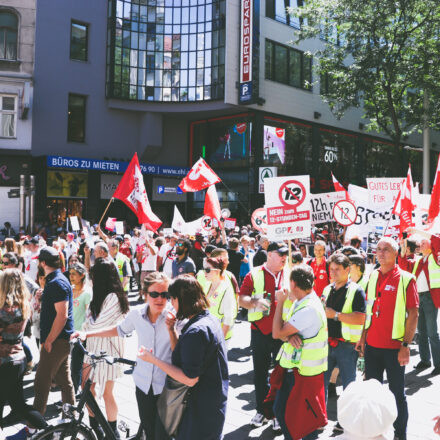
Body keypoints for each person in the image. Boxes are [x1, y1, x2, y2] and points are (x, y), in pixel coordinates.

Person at [72, 271, 174, 440]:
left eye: (165, 294)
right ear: (144, 293)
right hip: (143, 384)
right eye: (155, 294)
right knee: (149, 430)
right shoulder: (137, 314)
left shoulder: (174, 316)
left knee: (164, 434)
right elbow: (118, 329)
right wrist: (87, 334)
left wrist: (172, 329)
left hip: (166, 385)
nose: (160, 299)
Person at [137, 275, 229, 440]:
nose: (170, 303)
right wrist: (172, 331)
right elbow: (183, 357)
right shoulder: (209, 319)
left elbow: (189, 378)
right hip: (213, 402)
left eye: (171, 298)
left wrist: (153, 359)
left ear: (180, 299)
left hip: (200, 410)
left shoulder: (196, 331)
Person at [356, 237, 419, 440]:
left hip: (394, 349)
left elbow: (413, 314)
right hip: (372, 347)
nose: (381, 253)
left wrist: (406, 345)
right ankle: (375, 432)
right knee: (372, 395)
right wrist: (362, 338)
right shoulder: (372, 276)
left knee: (396, 395)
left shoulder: (406, 278)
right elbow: (368, 310)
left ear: (396, 253)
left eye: (386, 249)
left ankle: (400, 435)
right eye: (378, 249)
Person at [272, 264, 328, 440]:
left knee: (301, 418)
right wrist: (289, 337)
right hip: (299, 369)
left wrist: (279, 302)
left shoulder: (308, 308)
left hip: (304, 372)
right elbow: (284, 334)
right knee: (287, 412)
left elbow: (276, 333)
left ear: (294, 284)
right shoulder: (304, 300)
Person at [238, 242, 288, 429]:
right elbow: (241, 299)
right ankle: (262, 410)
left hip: (283, 333)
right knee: (260, 374)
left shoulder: (289, 273)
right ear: (269, 255)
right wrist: (253, 302)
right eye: (280, 254)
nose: (284, 257)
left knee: (281, 374)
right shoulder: (255, 273)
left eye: (286, 254)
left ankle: (277, 412)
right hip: (259, 331)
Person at [81, 258, 129, 439]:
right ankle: (95, 425)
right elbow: (88, 320)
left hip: (109, 350)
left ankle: (112, 430)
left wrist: (85, 330)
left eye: (93, 275)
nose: (91, 279)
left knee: (107, 392)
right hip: (92, 346)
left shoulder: (114, 297)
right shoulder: (98, 294)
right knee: (86, 387)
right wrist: (86, 329)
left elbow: (97, 324)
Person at [0, 269, 47, 440]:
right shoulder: (23, 304)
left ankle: (47, 431)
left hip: (5, 363)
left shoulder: (5, 310)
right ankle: (47, 431)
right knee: (18, 404)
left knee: (16, 404)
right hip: (17, 359)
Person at [321, 254, 366, 407]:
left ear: (347, 270)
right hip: (327, 344)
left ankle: (347, 421)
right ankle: (321, 418)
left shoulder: (356, 290)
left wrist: (336, 315)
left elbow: (361, 318)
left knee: (349, 387)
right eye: (331, 269)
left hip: (347, 346)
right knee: (321, 384)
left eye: (337, 269)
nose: (333, 272)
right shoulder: (327, 289)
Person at [398, 228, 440, 375]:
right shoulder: (418, 261)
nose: (420, 245)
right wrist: (403, 246)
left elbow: (437, 240)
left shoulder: (435, 257)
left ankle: (438, 363)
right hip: (419, 297)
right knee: (422, 331)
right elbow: (403, 265)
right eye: (419, 244)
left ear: (430, 246)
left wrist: (418, 231)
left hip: (429, 297)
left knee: (432, 332)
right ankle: (425, 360)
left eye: (423, 243)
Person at [201, 257, 238, 344]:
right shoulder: (206, 285)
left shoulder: (226, 289)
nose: (204, 272)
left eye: (207, 270)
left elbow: (228, 318)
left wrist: (219, 342)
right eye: (204, 269)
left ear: (217, 271)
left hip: (218, 336)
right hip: (205, 333)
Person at [69, 262, 92, 393]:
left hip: (81, 334)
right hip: (70, 332)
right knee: (73, 363)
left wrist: (84, 333)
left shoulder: (87, 293)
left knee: (76, 364)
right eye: (70, 274)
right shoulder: (70, 290)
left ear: (82, 275)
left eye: (74, 274)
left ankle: (76, 391)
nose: (71, 276)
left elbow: (89, 316)